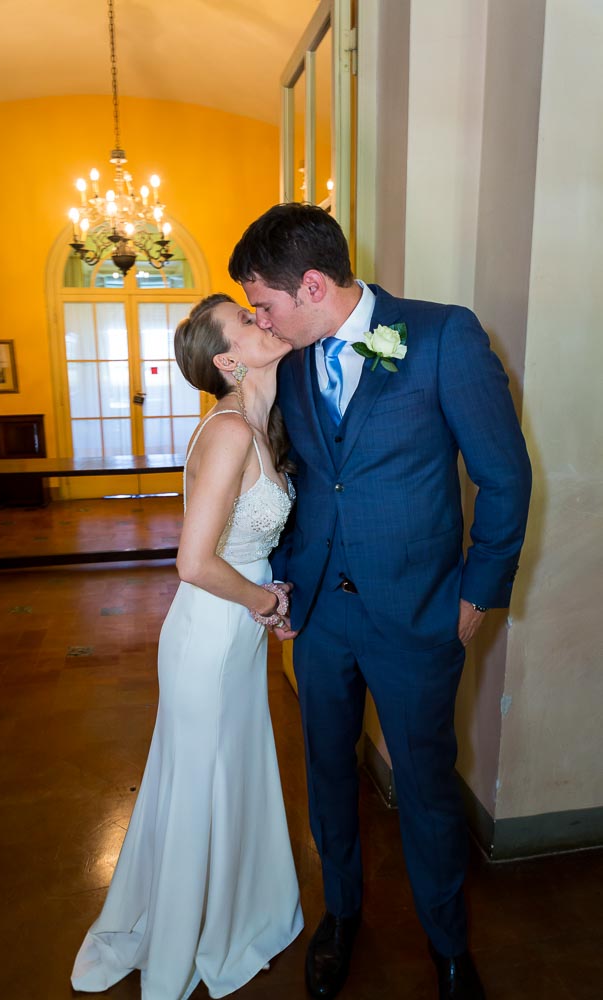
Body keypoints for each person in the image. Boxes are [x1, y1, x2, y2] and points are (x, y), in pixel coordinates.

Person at [229, 203, 532, 1000]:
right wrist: (286, 581)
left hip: (420, 615)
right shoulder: (291, 364)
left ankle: (449, 948)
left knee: (427, 785)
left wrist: (477, 592)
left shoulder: (441, 337)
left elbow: (503, 476)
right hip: (322, 619)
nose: (261, 320)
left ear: (315, 284)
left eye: (265, 304)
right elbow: (302, 482)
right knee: (326, 772)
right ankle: (341, 915)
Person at [71, 293, 303, 999]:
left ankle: (233, 911)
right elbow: (194, 562)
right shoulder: (230, 431)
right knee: (200, 779)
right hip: (207, 633)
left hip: (233, 631)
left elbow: (246, 543)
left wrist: (271, 592)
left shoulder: (260, 427)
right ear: (228, 360)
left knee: (226, 770)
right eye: (246, 319)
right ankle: (177, 938)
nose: (263, 319)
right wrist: (265, 602)